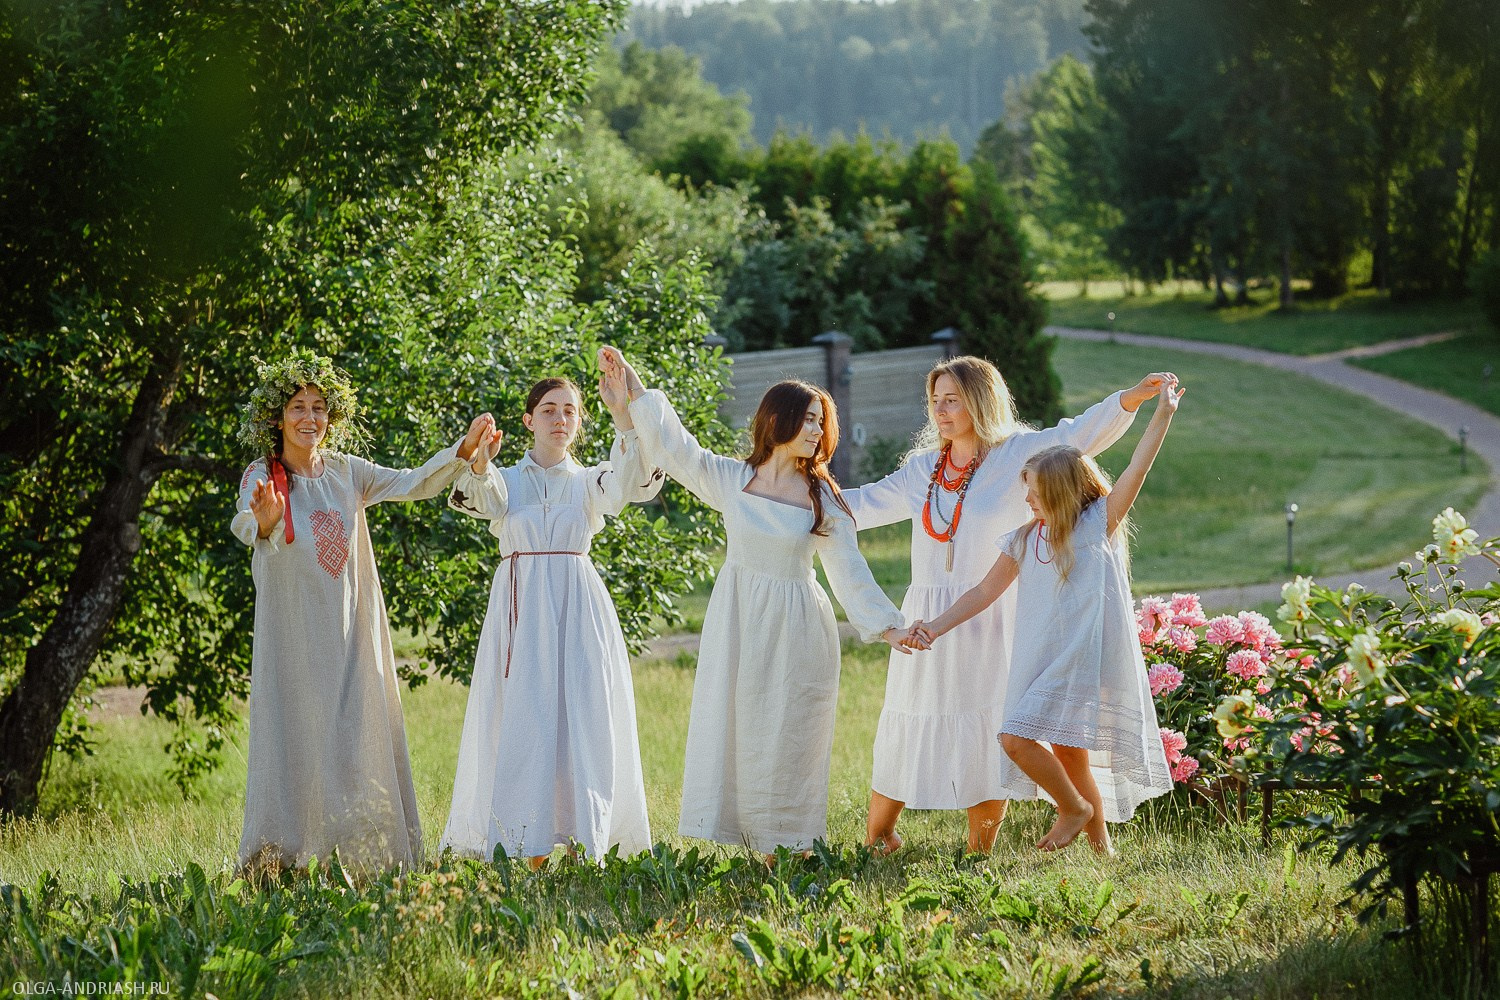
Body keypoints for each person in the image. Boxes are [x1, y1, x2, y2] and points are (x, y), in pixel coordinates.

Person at [842, 356, 1175, 855]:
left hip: (997, 617)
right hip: (932, 613)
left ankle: (982, 849)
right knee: (909, 717)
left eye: (953, 399)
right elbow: (862, 503)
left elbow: (1081, 435)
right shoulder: (920, 470)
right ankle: (879, 834)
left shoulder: (1018, 454)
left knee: (988, 729)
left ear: (980, 400)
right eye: (935, 401)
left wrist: (1133, 398)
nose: (941, 410)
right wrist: (797, 496)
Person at [599, 346, 910, 859]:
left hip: (798, 627)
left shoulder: (821, 497)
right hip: (739, 622)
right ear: (778, 420)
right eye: (807, 420)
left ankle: (791, 848)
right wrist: (635, 389)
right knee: (741, 728)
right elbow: (678, 451)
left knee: (790, 734)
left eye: (820, 422)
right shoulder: (731, 480)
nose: (816, 431)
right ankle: (754, 842)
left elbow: (848, 571)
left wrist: (890, 627)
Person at [231, 349, 494, 872]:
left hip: (351, 637)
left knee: (357, 741)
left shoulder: (349, 472)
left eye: (319, 407)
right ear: (276, 419)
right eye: (298, 407)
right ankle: (283, 862)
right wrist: (263, 521)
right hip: (295, 642)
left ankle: (363, 860)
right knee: (298, 741)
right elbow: (246, 524)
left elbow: (413, 482)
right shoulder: (263, 475)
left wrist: (461, 452)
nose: (310, 418)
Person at [440, 374, 663, 868]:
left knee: (582, 719)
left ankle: (588, 842)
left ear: (580, 422)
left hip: (577, 611)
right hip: (520, 614)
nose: (560, 419)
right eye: (549, 410)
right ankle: (527, 846)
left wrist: (625, 418)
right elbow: (485, 496)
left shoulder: (588, 482)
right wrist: (480, 461)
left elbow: (627, 484)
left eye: (570, 411)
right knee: (523, 722)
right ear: (528, 420)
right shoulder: (508, 479)